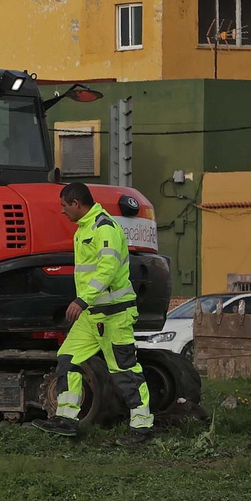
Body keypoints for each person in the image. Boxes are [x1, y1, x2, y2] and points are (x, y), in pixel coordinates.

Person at [32, 182, 153, 442]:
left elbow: (107, 270)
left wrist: (81, 301)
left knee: (124, 371)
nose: (62, 212)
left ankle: (142, 428)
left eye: (64, 206)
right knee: (68, 358)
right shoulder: (85, 228)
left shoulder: (104, 228)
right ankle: (66, 418)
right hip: (93, 316)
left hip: (113, 315)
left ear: (76, 203)